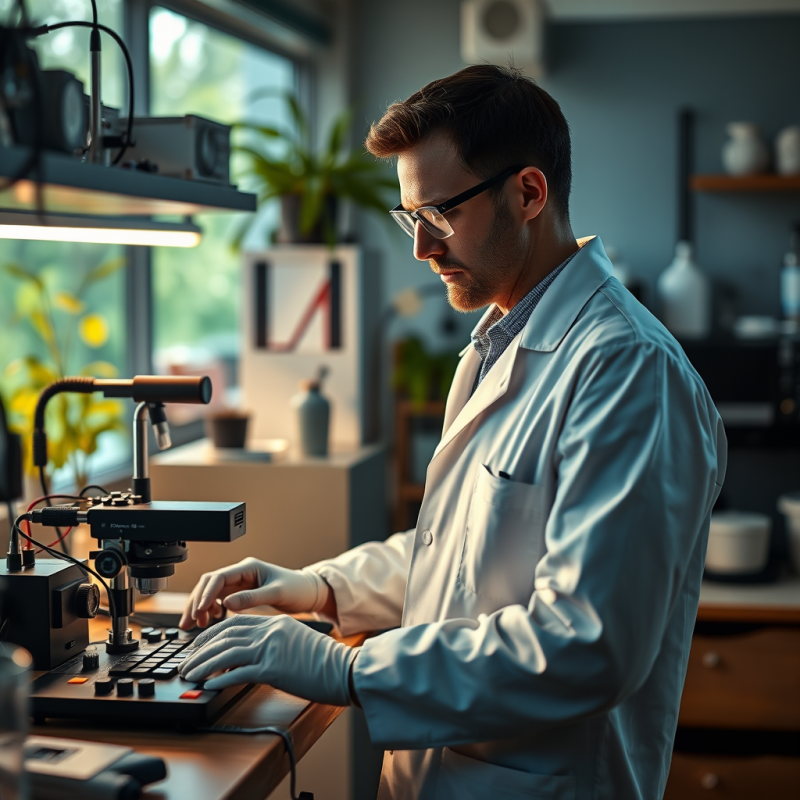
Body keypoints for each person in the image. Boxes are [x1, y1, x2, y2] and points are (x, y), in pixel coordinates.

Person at [178, 65, 726, 800]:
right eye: (412, 218)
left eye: (440, 214)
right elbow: (464, 550)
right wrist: (317, 589)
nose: (421, 249)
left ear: (529, 193)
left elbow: (588, 644)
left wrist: (347, 669)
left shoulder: (627, 370)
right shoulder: (500, 339)